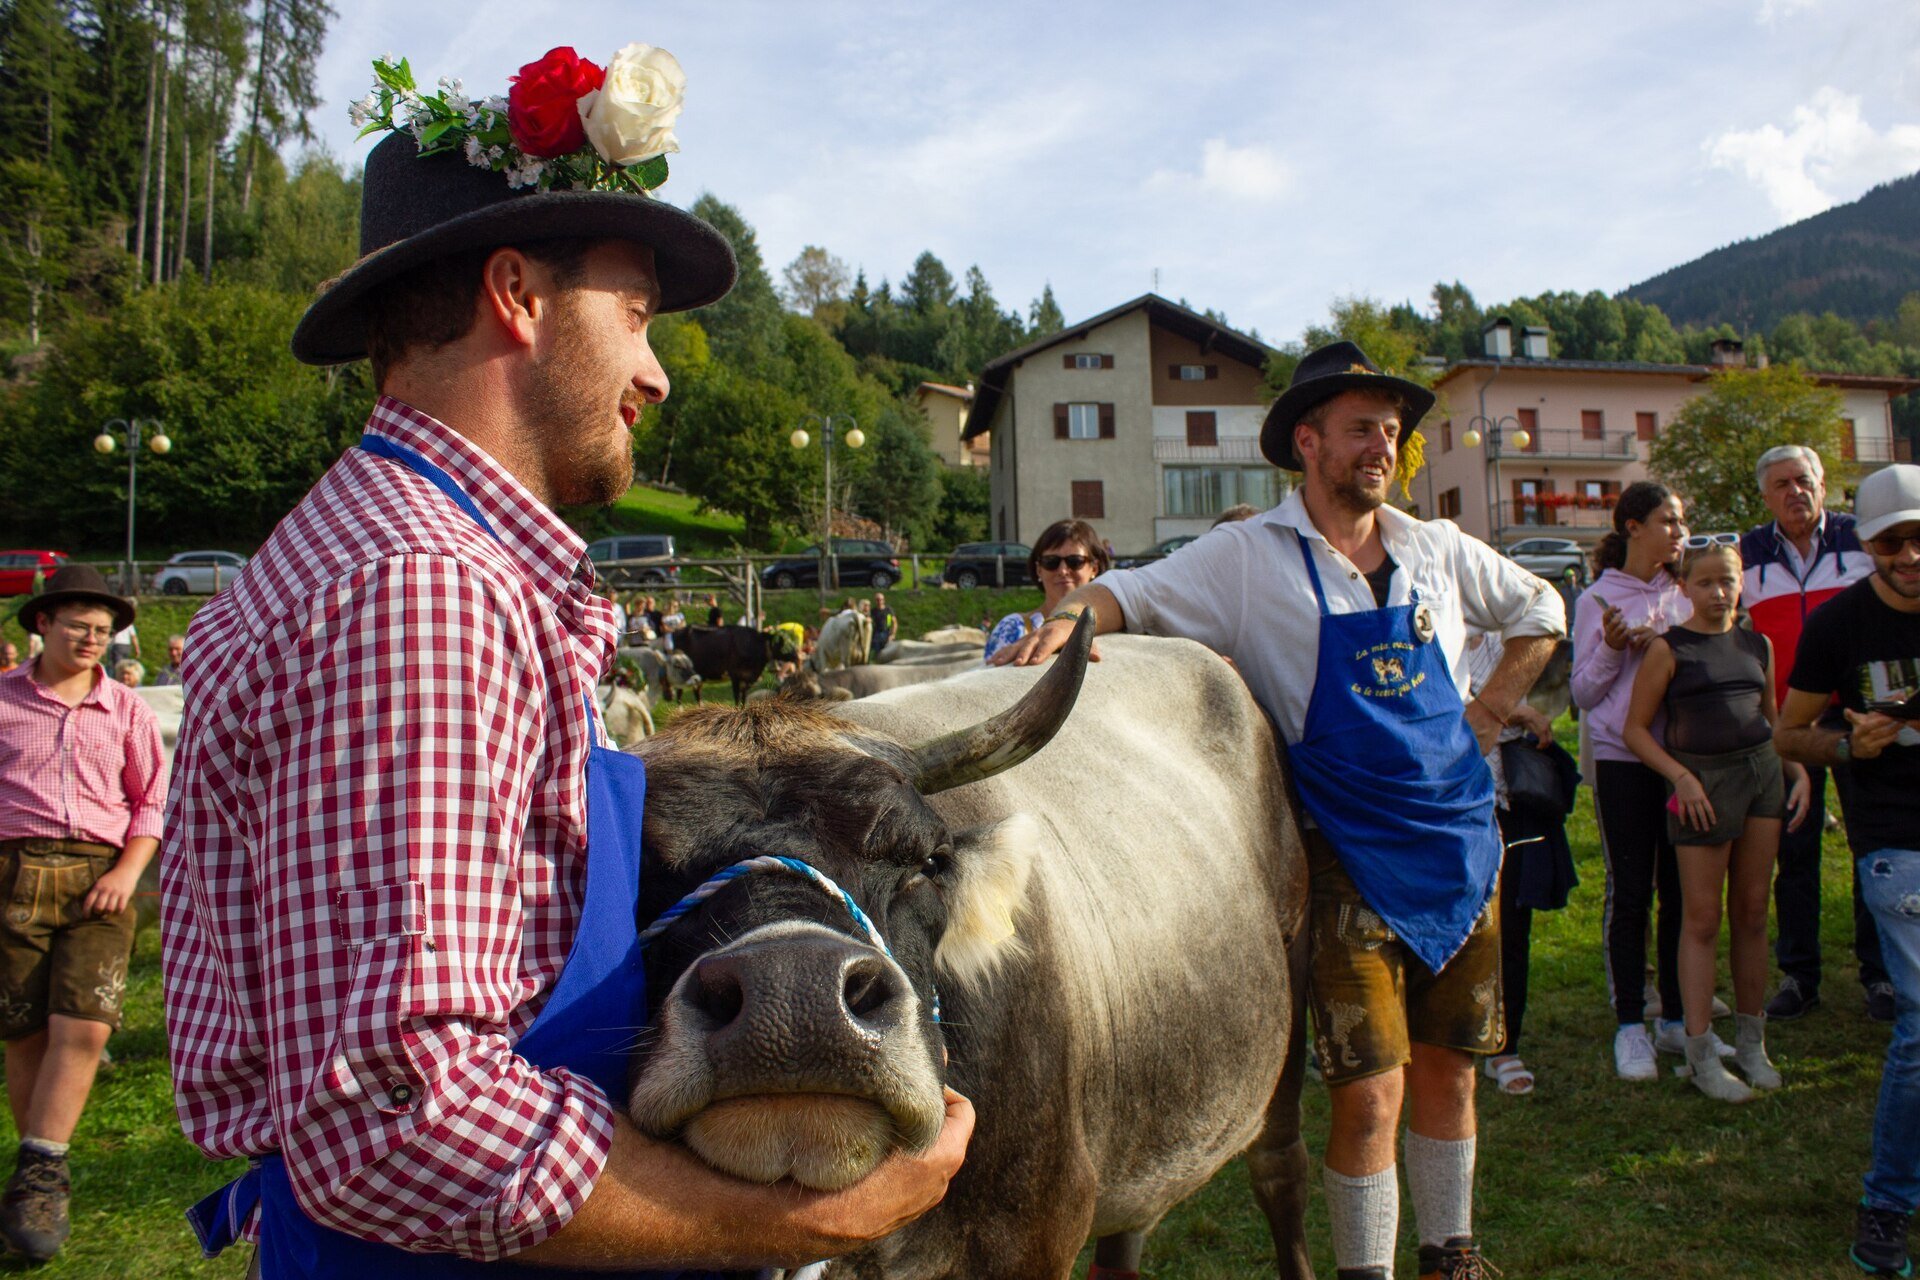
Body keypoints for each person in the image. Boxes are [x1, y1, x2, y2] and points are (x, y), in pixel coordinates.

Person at [162, 50, 970, 1277]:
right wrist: (789, 1221)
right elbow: (397, 1117)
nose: (653, 370)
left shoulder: (391, 548)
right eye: (636, 315)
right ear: (518, 297)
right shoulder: (422, 588)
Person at [996, 341, 1564, 1280]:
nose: (1381, 447)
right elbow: (1129, 590)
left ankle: (1451, 1253)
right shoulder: (1249, 557)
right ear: (1308, 442)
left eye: (1390, 430)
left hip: (1464, 847)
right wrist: (1072, 617)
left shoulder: (1437, 549)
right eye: (1359, 430)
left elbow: (1541, 608)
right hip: (1343, 855)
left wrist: (1490, 710)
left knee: (1454, 1070)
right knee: (1368, 1092)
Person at [1772, 463, 1920, 1277]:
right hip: (1897, 839)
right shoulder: (1838, 627)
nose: (1911, 555)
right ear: (1866, 545)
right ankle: (1887, 1204)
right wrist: (1843, 745)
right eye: (1894, 541)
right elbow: (1786, 735)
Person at [0, 564, 166, 1261]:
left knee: (86, 1023)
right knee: (24, 1028)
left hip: (101, 876)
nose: (93, 639)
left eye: (103, 630)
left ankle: (43, 1168)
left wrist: (128, 873)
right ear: (43, 624)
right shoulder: (3, 700)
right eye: (79, 626)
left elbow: (151, 798)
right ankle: (34, 1179)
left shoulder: (126, 710)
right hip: (13, 872)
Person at [1622, 539, 1808, 1102]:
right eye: (1705, 582)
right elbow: (1635, 730)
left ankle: (1752, 1043)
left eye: (1727, 580)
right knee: (1701, 919)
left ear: (1741, 582)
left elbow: (1772, 721)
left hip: (1761, 780)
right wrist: (1680, 778)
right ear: (1684, 588)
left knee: (1752, 912)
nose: (1718, 592)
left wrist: (1796, 772)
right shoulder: (1668, 648)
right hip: (1701, 787)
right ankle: (1701, 1053)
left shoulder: (1758, 644)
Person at [1570, 481, 1718, 1081]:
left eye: (1681, 523)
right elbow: (1582, 693)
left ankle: (1678, 1020)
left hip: (1685, 760)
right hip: (1624, 761)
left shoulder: (1686, 593)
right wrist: (1612, 649)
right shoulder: (1597, 599)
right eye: (1668, 521)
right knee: (1631, 890)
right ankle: (1631, 1023)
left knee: (1682, 892)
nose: (1678, 533)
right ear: (1633, 526)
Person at [1740, 443, 1889, 1023]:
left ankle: (1879, 975)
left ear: (1823, 485)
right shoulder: (1748, 552)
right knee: (1795, 852)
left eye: (1804, 480)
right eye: (1781, 484)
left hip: (1858, 716)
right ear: (1765, 495)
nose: (1794, 492)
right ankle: (1800, 976)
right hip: (1786, 724)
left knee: (1869, 848)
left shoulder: (1861, 540)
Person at [1464, 632, 1578, 1099]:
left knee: (1511, 924)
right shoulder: (1424, 609)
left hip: (1510, 791)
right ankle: (1442, 1038)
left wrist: (1520, 710)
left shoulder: (1511, 625)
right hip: (1445, 790)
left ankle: (1505, 1045)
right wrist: (1512, 709)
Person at [982, 520, 1110, 663]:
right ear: (1039, 569)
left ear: (1094, 568)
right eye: (1051, 562)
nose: (1062, 571)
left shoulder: (1115, 626)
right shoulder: (1012, 628)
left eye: (1075, 561)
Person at [870, 592, 897, 661]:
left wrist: (892, 634)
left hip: (886, 632)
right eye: (878, 600)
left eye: (881, 599)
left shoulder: (888, 610)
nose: (879, 601)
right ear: (875, 601)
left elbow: (893, 622)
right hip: (876, 634)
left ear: (884, 600)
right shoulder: (873, 611)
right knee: (877, 652)